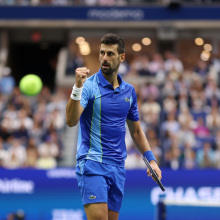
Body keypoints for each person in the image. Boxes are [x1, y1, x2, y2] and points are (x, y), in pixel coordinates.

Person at [66, 33, 162, 220]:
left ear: (121, 57)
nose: (104, 58)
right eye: (102, 53)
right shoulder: (89, 86)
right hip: (92, 164)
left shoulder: (129, 91)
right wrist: (77, 88)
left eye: (110, 54)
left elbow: (135, 130)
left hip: (118, 167)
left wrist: (151, 160)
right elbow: (71, 121)